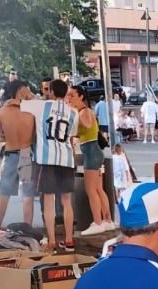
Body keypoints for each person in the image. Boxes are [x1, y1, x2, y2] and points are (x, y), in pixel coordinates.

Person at [22, 79, 79, 252]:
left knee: (48, 201)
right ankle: (69, 240)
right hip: (67, 159)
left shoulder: (41, 106)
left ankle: (52, 241)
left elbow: (22, 104)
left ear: (52, 92)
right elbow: (72, 136)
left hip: (46, 160)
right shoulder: (73, 112)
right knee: (66, 201)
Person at [0, 80, 37, 230]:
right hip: (26, 154)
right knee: (27, 194)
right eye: (27, 89)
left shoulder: (1, 112)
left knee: (4, 193)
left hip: (10, 154)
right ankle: (27, 228)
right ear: (21, 90)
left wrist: (8, 136)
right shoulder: (31, 111)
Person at [69, 85, 113, 236]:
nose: (70, 99)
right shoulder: (84, 111)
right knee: (99, 189)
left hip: (91, 152)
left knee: (91, 190)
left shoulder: (84, 112)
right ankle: (107, 220)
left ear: (81, 96)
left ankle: (98, 222)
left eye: (72, 95)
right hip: (94, 151)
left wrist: (76, 117)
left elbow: (87, 124)